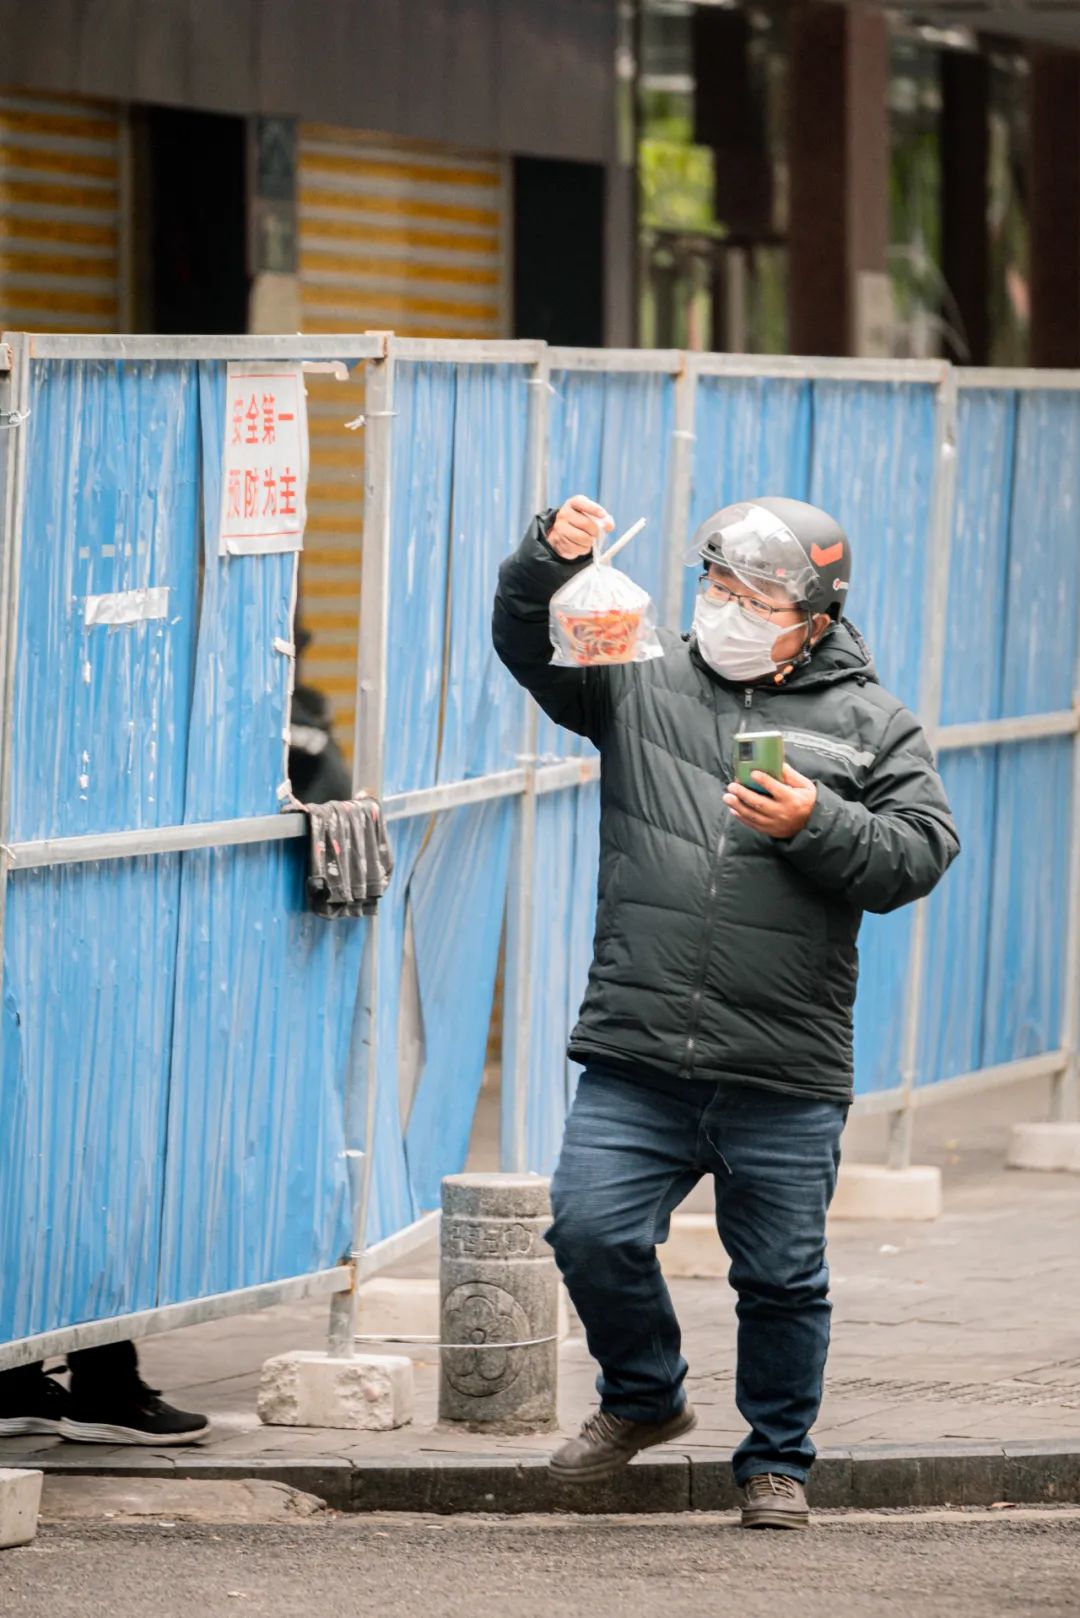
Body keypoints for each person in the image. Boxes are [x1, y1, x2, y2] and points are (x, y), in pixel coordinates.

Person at [492, 494, 959, 1530]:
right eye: (716, 588)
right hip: (639, 1045)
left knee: (783, 1278)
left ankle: (777, 1461)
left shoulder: (874, 723)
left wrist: (816, 820)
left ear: (815, 621)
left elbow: (920, 852)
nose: (726, 609)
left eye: (752, 598)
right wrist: (544, 562)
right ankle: (645, 1396)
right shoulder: (640, 680)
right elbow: (529, 644)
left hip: (783, 1061)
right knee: (588, 1228)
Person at [0, 633, 353, 1450]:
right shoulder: (111, 696)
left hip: (70, 933)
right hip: (76, 935)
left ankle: (45, 1372)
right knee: (80, 1158)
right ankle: (96, 1379)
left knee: (59, 1155)